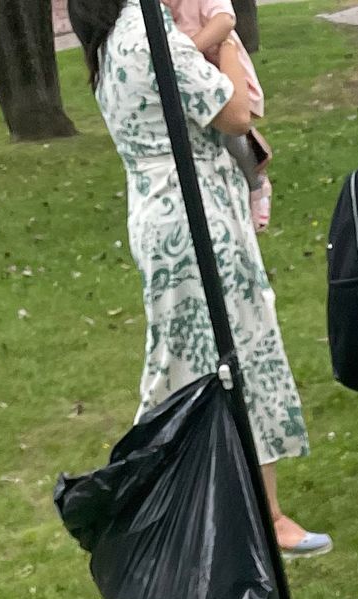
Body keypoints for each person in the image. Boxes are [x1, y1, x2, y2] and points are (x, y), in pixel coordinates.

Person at [68, 0, 327, 555]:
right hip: (195, 215)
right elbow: (235, 113)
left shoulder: (115, 38)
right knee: (211, 364)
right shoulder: (145, 33)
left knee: (205, 359)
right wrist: (228, 38)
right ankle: (146, 507)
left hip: (169, 212)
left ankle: (247, 513)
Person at [169, 0, 271, 232]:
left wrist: (188, 53)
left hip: (223, 71)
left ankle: (257, 184)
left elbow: (225, 20)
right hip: (194, 81)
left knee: (229, 132)